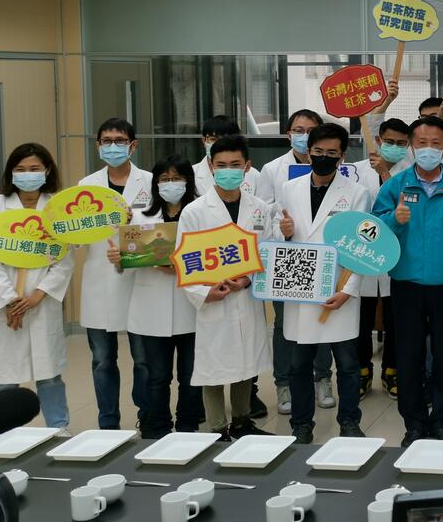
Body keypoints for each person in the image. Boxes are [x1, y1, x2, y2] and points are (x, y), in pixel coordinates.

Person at [373, 116, 443, 446]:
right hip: (406, 281)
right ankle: (415, 424)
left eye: (436, 144)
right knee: (409, 355)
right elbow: (375, 230)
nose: (429, 149)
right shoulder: (396, 185)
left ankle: (442, 421)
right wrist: (395, 219)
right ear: (411, 146)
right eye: (422, 143)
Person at [0, 143, 73, 434]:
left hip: (41, 303)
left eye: (34, 168)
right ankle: (3, 435)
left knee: (49, 375)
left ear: (47, 171)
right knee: (5, 377)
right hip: (4, 305)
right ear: (11, 173)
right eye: (20, 169)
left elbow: (65, 258)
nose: (27, 174)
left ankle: (59, 431)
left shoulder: (56, 208)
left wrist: (38, 295)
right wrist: (11, 300)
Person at [275, 123, 372, 443]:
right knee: (299, 364)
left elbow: (361, 249)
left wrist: (348, 291)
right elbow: (277, 232)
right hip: (300, 288)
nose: (323, 157)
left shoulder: (356, 193)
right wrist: (284, 232)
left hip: (338, 288)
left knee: (347, 364)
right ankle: (301, 424)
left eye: (331, 153)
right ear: (308, 152)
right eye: (318, 151)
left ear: (342, 156)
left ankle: (350, 421)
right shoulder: (289, 189)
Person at [179, 135, 272, 441]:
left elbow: (267, 252)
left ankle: (242, 422)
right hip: (213, 298)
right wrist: (205, 292)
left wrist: (248, 279)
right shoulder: (195, 211)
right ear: (210, 166)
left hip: (245, 295)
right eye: (221, 165)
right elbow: (185, 259)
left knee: (246, 361)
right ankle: (218, 429)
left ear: (247, 166)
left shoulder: (259, 208)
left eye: (235, 164)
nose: (228, 171)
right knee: (214, 365)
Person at [254, 108, 334, 416]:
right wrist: (282, 229)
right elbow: (263, 213)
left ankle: (322, 378)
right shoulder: (273, 169)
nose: (303, 136)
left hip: (322, 256)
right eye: (297, 130)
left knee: (323, 319)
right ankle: (284, 383)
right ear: (288, 134)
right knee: (284, 324)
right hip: (286, 256)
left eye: (309, 130)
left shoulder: (335, 167)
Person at [116, 155, 202, 440]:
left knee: (190, 376)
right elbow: (127, 260)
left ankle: (188, 428)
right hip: (151, 309)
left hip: (191, 305)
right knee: (157, 376)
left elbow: (212, 255)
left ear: (188, 181)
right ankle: (156, 429)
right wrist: (119, 257)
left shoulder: (201, 214)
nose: (170, 184)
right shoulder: (140, 217)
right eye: (164, 179)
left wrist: (179, 266)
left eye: (177, 178)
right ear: (155, 184)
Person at [79, 117, 152, 430]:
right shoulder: (85, 186)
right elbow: (76, 234)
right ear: (97, 146)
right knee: (102, 359)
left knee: (144, 359)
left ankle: (147, 416)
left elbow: (159, 231)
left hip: (140, 280)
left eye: (120, 141)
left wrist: (132, 228)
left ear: (133, 145)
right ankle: (108, 423)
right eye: (106, 141)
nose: (113, 147)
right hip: (100, 281)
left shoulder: (150, 182)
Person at [352, 117, 411, 400]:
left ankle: (392, 371)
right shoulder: (355, 171)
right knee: (360, 320)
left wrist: (386, 173)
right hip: (361, 253)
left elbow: (405, 208)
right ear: (377, 140)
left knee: (395, 320)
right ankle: (362, 371)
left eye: (401, 143)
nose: (394, 147)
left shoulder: (410, 173)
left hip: (395, 255)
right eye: (389, 142)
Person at [192, 115, 260, 196]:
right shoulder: (192, 173)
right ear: (204, 141)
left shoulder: (254, 175)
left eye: (226, 139)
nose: (220, 144)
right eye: (213, 139)